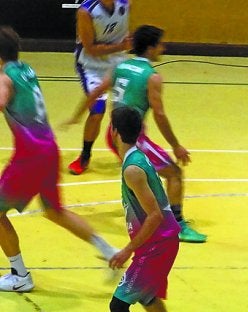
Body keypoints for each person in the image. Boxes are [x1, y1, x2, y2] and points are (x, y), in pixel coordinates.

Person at [0, 26, 117, 292]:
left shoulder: (4, 77)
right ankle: (108, 250)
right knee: (54, 211)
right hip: (49, 150)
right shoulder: (26, 70)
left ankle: (20, 275)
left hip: (29, 156)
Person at [64, 25, 206, 243]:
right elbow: (159, 114)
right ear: (150, 48)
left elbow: (96, 92)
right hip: (132, 137)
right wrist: (176, 145)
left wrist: (76, 116)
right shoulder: (152, 77)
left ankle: (146, 217)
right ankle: (176, 226)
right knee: (174, 174)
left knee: (141, 177)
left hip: (113, 133)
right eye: (160, 44)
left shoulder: (120, 67)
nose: (163, 48)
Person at [103, 106, 192, 312]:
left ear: (114, 132)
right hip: (158, 242)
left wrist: (126, 250)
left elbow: (154, 215)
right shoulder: (136, 158)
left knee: (119, 306)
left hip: (157, 244)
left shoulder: (132, 168)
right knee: (145, 293)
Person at [68, 0, 131, 176]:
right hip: (91, 65)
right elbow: (91, 49)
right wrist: (121, 47)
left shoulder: (125, 4)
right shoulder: (86, 11)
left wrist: (129, 45)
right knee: (97, 111)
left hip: (118, 62)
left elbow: (124, 36)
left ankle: (118, 140)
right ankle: (85, 156)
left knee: (126, 109)